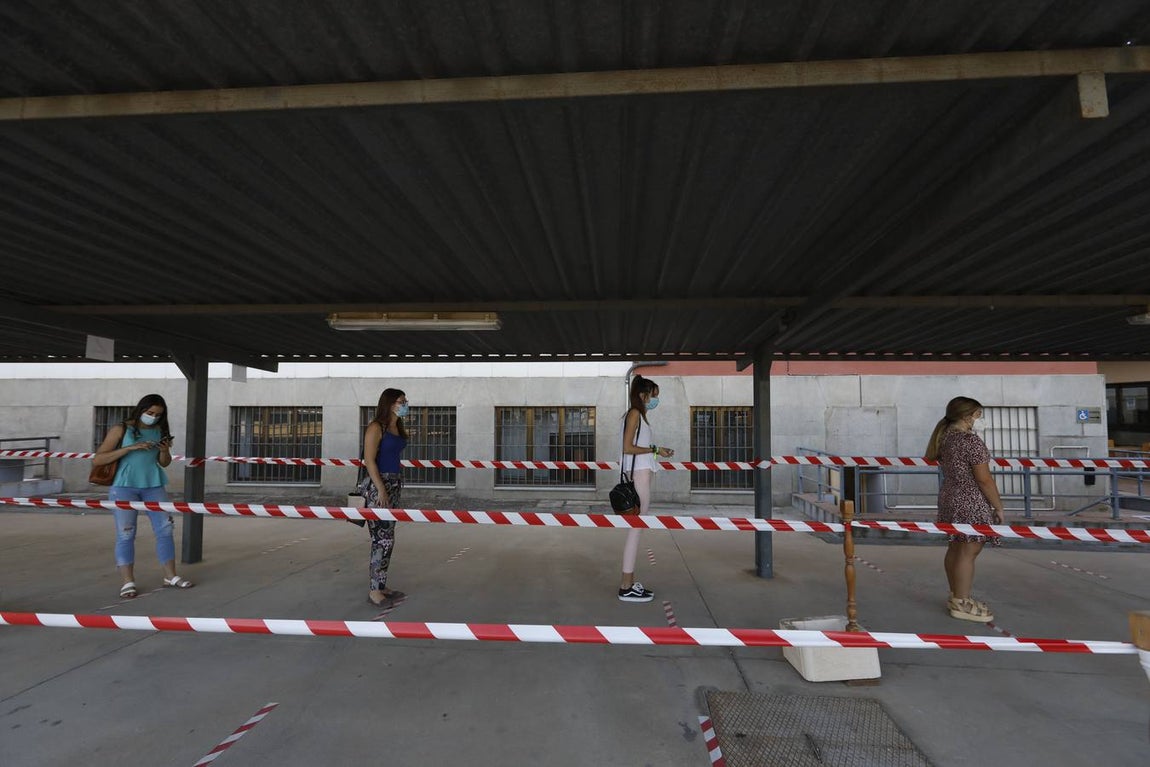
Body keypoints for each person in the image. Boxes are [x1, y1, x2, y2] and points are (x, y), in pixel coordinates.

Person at [93, 394, 193, 598]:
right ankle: (127, 581)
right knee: (126, 533)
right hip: (123, 486)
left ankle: (170, 576)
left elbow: (163, 462)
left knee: (165, 529)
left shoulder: (159, 430)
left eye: (158, 414)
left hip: (153, 484)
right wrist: (130, 448)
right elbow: (99, 459)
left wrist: (165, 451)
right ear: (141, 410)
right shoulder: (121, 429)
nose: (153, 417)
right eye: (150, 413)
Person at [924, 396, 1004, 622]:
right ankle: (962, 602)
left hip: (950, 497)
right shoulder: (971, 441)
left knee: (956, 547)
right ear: (967, 416)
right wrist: (998, 506)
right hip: (970, 500)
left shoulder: (946, 437)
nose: (981, 419)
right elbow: (984, 480)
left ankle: (956, 595)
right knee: (970, 550)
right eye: (978, 415)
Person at [617, 375, 675, 603]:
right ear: (643, 395)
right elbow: (627, 447)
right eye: (653, 395)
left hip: (641, 476)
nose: (654, 400)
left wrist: (656, 451)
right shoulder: (634, 414)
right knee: (636, 530)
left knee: (636, 530)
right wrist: (656, 450)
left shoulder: (639, 416)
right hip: (638, 478)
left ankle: (629, 582)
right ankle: (625, 585)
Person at [358, 388, 409, 608]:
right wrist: (381, 489)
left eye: (405, 401)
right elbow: (369, 461)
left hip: (394, 485)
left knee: (389, 539)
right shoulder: (375, 427)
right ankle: (374, 590)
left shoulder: (397, 427)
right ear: (389, 403)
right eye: (401, 401)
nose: (405, 404)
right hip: (378, 487)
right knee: (380, 539)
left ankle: (381, 584)